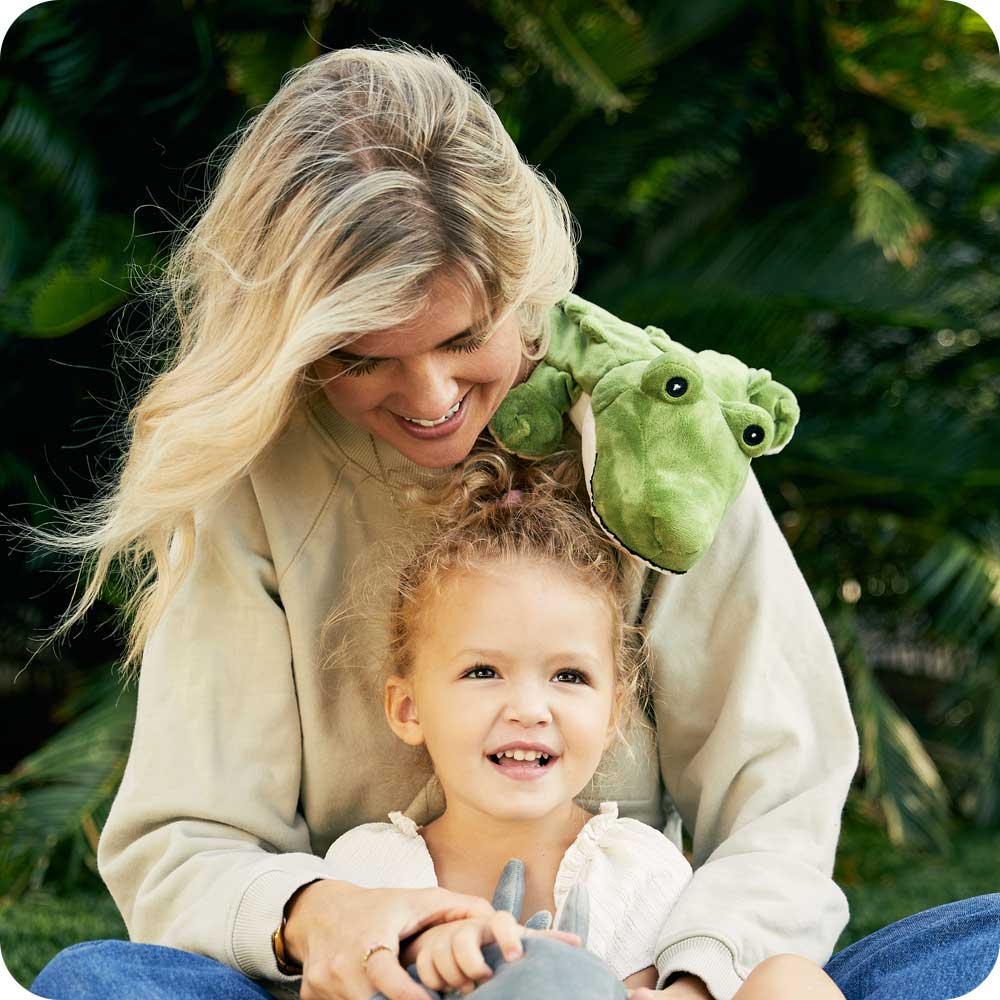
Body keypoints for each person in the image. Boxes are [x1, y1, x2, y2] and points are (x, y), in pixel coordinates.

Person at [21, 41, 999, 1000]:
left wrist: (690, 977)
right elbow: (185, 840)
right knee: (100, 980)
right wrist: (317, 912)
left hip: (635, 971)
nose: (432, 394)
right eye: (363, 357)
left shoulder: (656, 426)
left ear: (523, 285)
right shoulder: (251, 473)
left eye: (461, 337)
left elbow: (777, 800)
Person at [314, 449, 847, 1000]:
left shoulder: (638, 868)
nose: (528, 708)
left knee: (790, 982)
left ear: (613, 711)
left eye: (568, 676)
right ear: (408, 709)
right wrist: (425, 960)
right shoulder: (369, 867)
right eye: (483, 671)